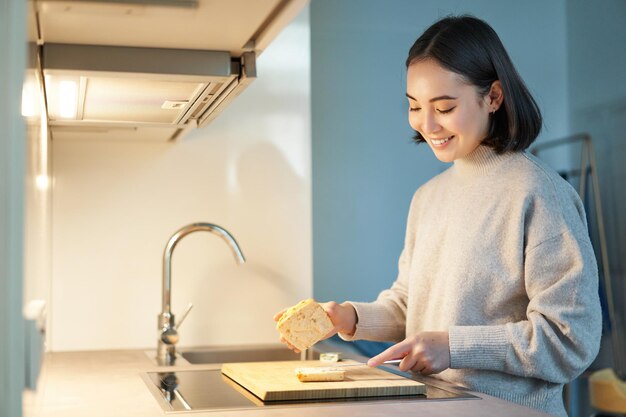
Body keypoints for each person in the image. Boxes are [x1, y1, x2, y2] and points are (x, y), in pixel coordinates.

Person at [274, 14, 601, 417]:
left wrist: (453, 346)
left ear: (493, 97)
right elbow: (411, 306)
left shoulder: (538, 194)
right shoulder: (428, 198)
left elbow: (570, 340)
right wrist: (349, 317)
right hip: (434, 408)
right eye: (414, 106)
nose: (427, 125)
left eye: (444, 107)